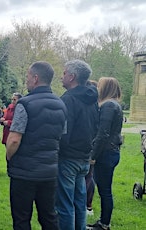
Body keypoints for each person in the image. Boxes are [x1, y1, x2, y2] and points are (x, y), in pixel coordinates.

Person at [6, 61, 67, 230]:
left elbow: (14, 139)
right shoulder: (61, 105)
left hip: (24, 172)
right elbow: (60, 136)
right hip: (49, 171)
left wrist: (9, 157)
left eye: (27, 76)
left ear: (35, 78)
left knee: (22, 218)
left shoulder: (25, 104)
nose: (26, 80)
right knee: (48, 216)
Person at [55, 60, 99, 230]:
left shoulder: (68, 99)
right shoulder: (92, 98)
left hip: (68, 157)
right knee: (79, 202)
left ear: (72, 76)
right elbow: (96, 126)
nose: (61, 76)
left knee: (64, 204)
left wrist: (59, 149)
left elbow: (63, 131)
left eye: (64, 73)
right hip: (84, 157)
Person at [87, 77, 123, 230]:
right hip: (111, 151)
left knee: (105, 190)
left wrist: (93, 156)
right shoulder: (116, 105)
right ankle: (103, 222)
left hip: (106, 153)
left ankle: (104, 224)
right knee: (104, 189)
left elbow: (103, 133)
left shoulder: (108, 105)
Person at [86, 79, 99, 217]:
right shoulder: (97, 106)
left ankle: (87, 205)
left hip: (88, 146)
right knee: (89, 176)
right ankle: (88, 205)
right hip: (91, 145)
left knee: (88, 177)